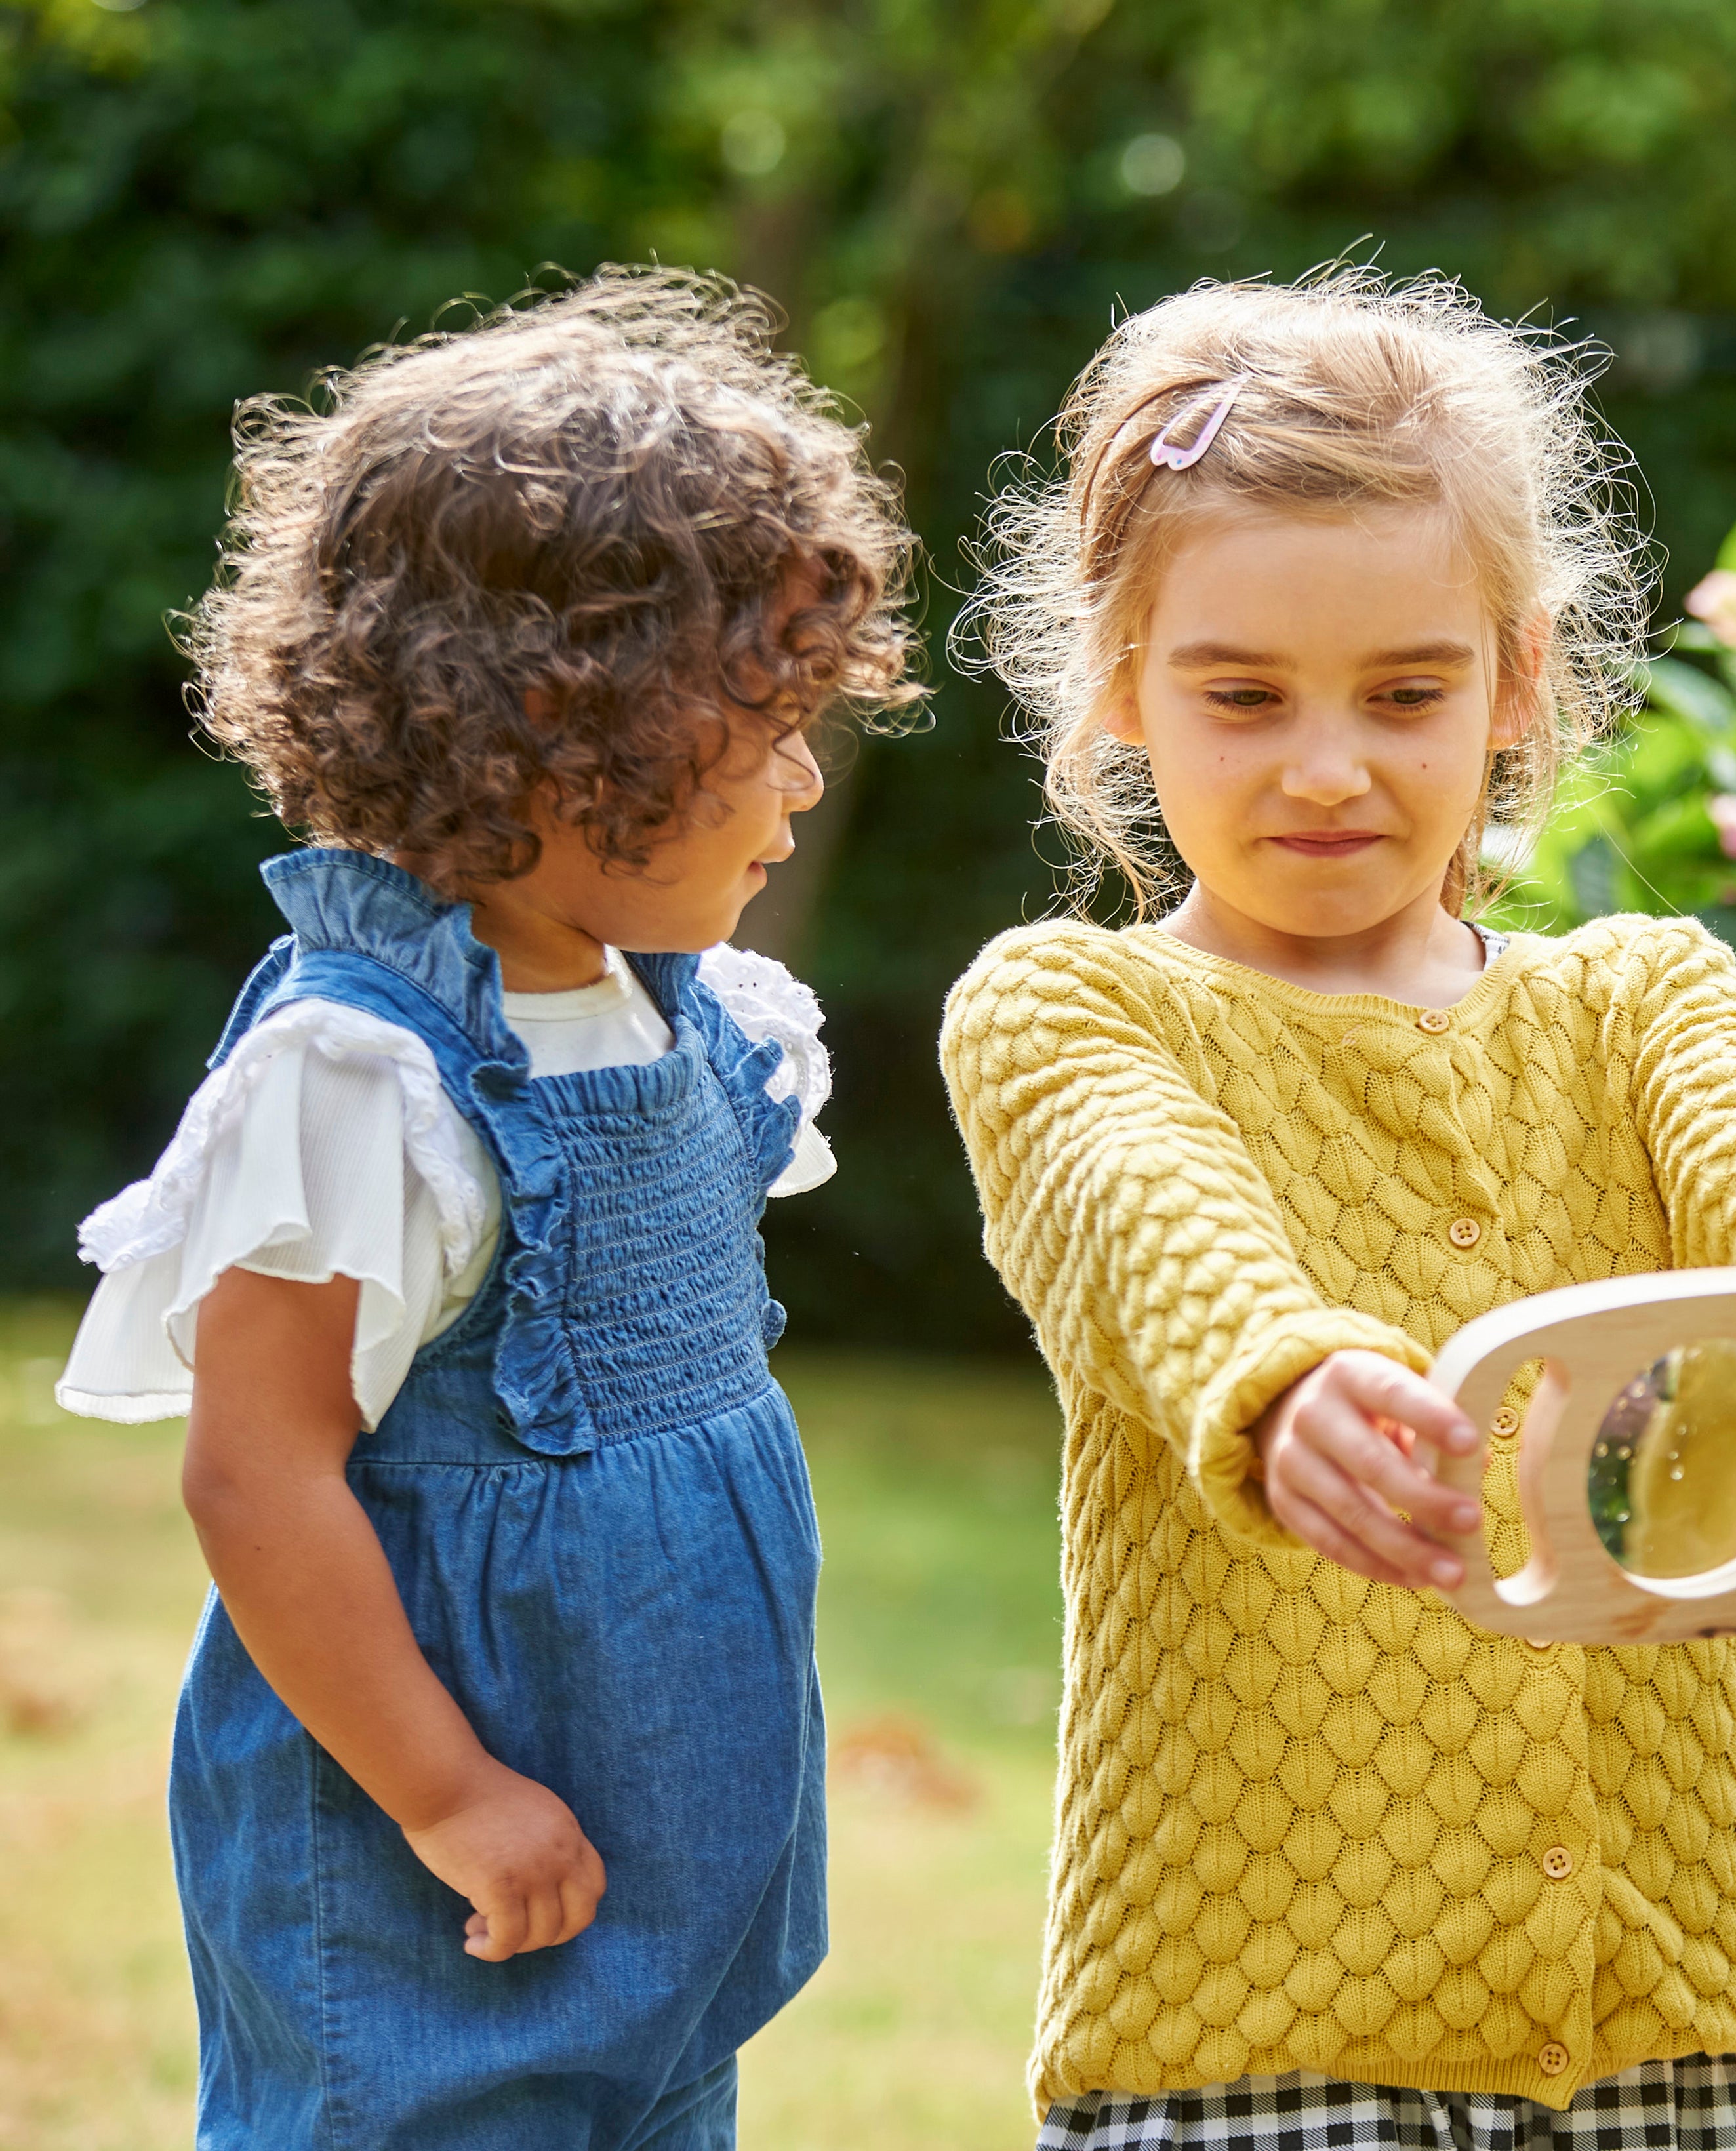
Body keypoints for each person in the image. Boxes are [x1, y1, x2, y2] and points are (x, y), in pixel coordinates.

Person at [942, 268, 1736, 2151]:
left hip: (1685, 2025)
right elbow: (1145, 1213)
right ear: (1121, 684)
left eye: (1407, 690)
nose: (1330, 763)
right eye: (1243, 695)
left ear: (1520, 678)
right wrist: (1282, 1388)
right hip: (1259, 2036)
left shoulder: (1639, 1001)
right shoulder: (1071, 1009)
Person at [55, 269, 920, 2150]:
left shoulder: (670, 1009)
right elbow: (257, 1474)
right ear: (559, 721)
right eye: (762, 723)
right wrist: (442, 1789)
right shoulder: (369, 1075)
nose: (802, 778)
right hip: (442, 1857)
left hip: (659, 1843)